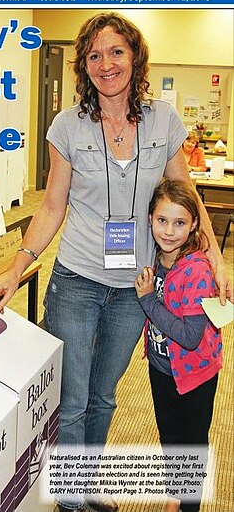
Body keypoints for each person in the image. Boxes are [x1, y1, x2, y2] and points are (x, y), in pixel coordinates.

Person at [0, 13, 232, 512]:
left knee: (104, 397)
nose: (105, 63)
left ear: (135, 56)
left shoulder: (164, 119)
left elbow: (185, 195)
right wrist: (16, 267)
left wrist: (214, 257)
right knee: (72, 400)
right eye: (94, 55)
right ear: (84, 67)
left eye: (116, 51)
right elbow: (52, 205)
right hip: (76, 279)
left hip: (138, 288)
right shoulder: (67, 125)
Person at [135, 179, 222, 512]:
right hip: (163, 368)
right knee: (170, 440)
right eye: (162, 220)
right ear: (151, 220)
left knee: (190, 446)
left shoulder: (196, 271)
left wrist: (147, 300)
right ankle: (175, 495)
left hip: (195, 374)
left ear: (194, 224)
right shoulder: (159, 257)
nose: (169, 231)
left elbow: (189, 336)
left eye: (180, 222)